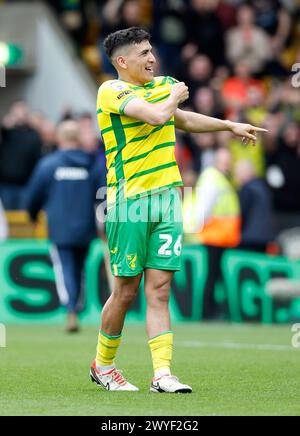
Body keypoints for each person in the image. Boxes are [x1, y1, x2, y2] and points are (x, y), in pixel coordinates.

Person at [91, 26, 267, 393]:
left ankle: (162, 374)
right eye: (143, 54)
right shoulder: (111, 91)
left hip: (168, 197)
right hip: (129, 203)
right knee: (126, 290)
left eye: (152, 51)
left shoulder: (163, 87)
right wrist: (173, 97)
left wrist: (229, 125)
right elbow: (157, 116)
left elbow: (181, 120)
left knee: (160, 289)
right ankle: (103, 366)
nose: (152, 58)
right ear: (122, 62)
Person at [25, 120, 104, 332]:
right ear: (77, 138)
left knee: (65, 269)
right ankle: (76, 306)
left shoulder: (49, 164)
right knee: (80, 270)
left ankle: (70, 310)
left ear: (59, 138)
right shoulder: (92, 163)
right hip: (86, 227)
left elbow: (33, 195)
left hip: (59, 228)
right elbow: (103, 194)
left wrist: (32, 215)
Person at [235, 159, 274, 253]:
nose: (237, 176)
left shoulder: (248, 189)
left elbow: (241, 212)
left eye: (238, 172)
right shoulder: (263, 186)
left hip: (250, 238)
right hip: (265, 236)